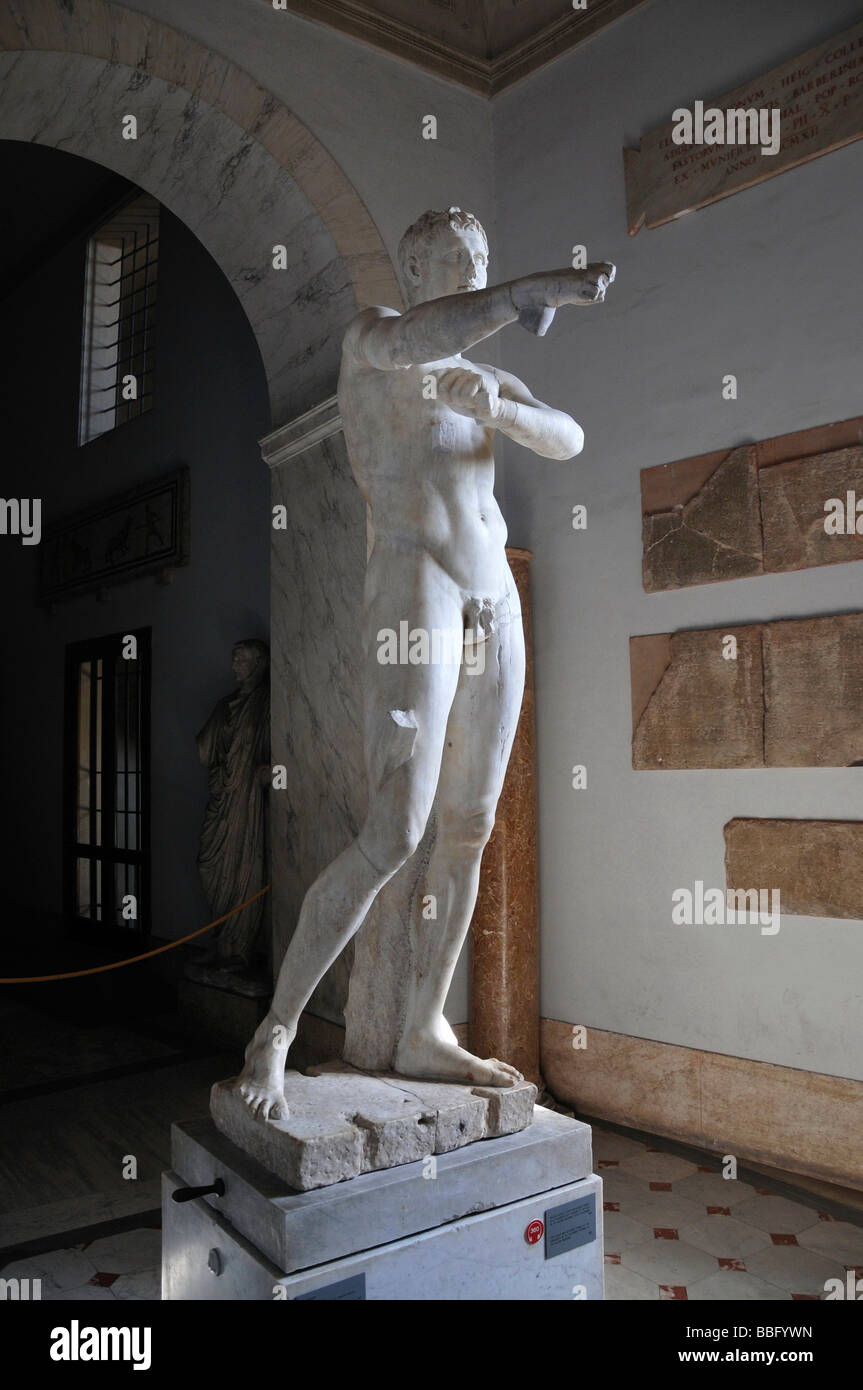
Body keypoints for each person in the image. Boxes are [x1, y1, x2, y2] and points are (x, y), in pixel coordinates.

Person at [237, 208, 615, 1119]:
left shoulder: (484, 372)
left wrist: (504, 407)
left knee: (469, 827)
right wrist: (522, 294)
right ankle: (275, 1033)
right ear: (415, 271)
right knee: (396, 830)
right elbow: (426, 334)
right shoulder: (374, 341)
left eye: (481, 261)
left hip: (495, 602)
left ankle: (423, 1029)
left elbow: (567, 437)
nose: (470, 273)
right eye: (454, 262)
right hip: (415, 594)